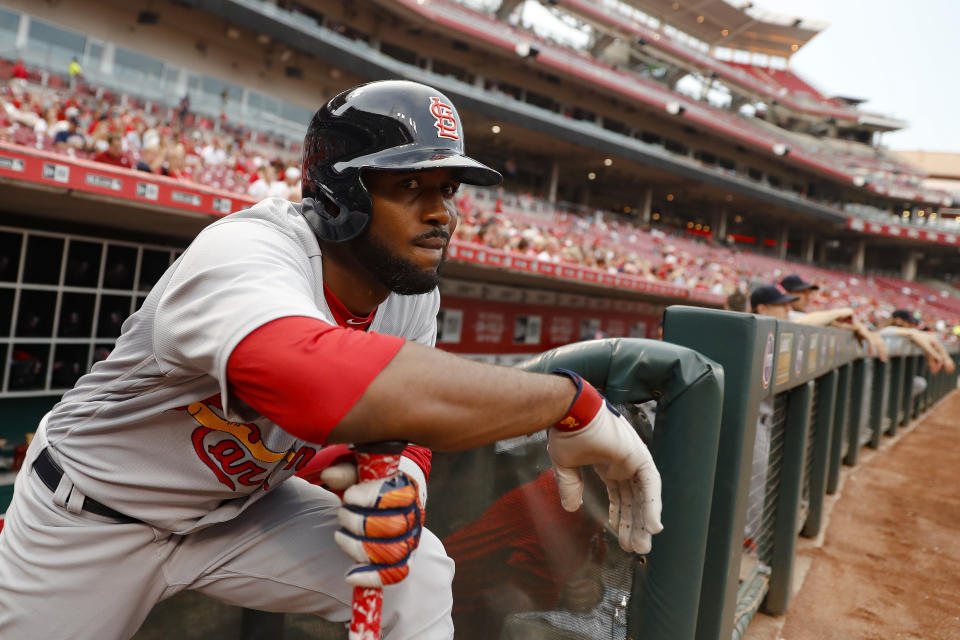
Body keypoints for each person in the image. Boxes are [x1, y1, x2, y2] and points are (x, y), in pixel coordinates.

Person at [0, 80, 663, 640]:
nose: (443, 214)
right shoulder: (244, 254)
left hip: (240, 513)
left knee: (419, 571)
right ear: (342, 194)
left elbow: (402, 432)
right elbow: (326, 384)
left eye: (450, 190)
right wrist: (571, 403)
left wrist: (405, 481)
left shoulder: (408, 295)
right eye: (412, 186)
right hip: (89, 519)